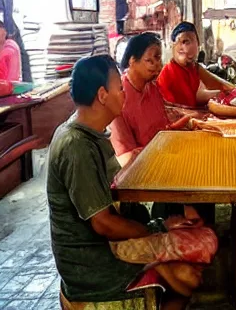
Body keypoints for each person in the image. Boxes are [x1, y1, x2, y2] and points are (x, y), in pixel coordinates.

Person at [47, 56, 218, 310]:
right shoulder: (77, 146)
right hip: (94, 265)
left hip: (107, 245)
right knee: (191, 271)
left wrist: (160, 225)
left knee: (203, 238)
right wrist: (155, 232)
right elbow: (103, 224)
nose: (124, 92)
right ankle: (160, 277)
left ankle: (162, 272)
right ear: (103, 95)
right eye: (119, 88)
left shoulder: (88, 133)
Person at [110, 33, 190, 168]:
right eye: (151, 60)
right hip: (139, 168)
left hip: (160, 155)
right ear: (132, 60)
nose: (159, 66)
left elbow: (161, 129)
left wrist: (185, 124)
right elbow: (126, 155)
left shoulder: (152, 88)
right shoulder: (119, 96)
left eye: (159, 59)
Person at [157, 22, 222, 108]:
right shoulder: (167, 73)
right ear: (174, 46)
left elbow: (195, 96)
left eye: (192, 42)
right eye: (184, 42)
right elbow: (169, 108)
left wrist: (221, 93)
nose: (187, 48)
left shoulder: (193, 69)